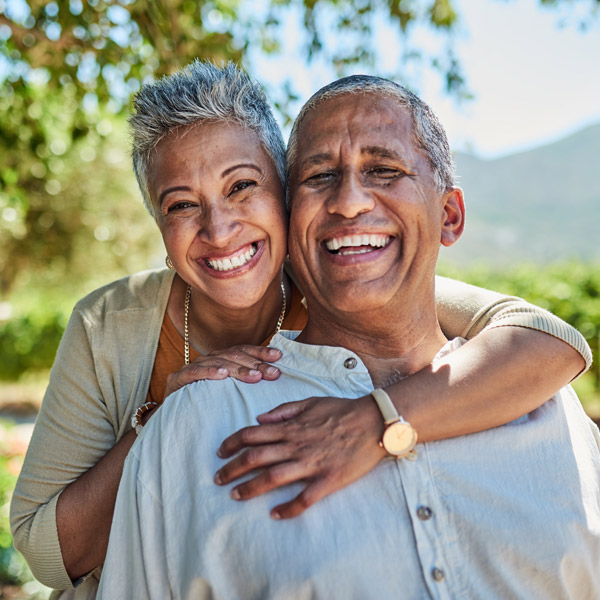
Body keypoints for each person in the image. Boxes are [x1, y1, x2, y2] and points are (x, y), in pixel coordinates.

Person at [10, 62, 591, 599]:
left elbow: (542, 337)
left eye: (242, 187)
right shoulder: (118, 332)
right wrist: (161, 414)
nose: (220, 229)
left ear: (281, 198)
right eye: (182, 205)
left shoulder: (350, 273)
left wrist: (377, 421)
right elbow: (46, 551)